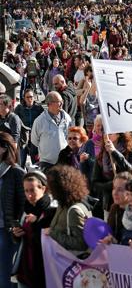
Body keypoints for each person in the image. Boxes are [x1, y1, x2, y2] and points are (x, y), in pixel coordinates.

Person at [11, 170, 56, 288]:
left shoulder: (52, 210)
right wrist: (16, 234)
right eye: (26, 191)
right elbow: (22, 239)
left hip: (44, 272)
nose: (29, 195)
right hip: (25, 270)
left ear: (43, 189)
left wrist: (37, 223)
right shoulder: (27, 207)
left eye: (32, 190)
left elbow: (51, 241)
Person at [45, 165, 92, 256]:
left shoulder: (74, 211)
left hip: (70, 260)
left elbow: (81, 244)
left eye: (51, 187)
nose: (49, 191)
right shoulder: (64, 203)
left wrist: (52, 233)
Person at [91, 132, 132, 218]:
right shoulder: (101, 156)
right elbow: (95, 183)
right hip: (109, 203)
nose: (106, 136)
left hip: (128, 200)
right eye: (105, 133)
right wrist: (112, 185)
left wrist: (115, 153)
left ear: (118, 134)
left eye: (110, 133)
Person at [0, 133, 25, 287]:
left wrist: (18, 226)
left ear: (3, 149)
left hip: (7, 232)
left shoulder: (16, 172)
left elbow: (25, 205)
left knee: (5, 276)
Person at [30, 91, 72, 170]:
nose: (62, 104)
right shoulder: (39, 121)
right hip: (47, 164)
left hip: (64, 162)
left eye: (62, 101)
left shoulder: (67, 118)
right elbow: (34, 143)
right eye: (59, 102)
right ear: (49, 104)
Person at [14, 88, 44, 167]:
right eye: (27, 97)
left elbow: (44, 122)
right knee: (21, 162)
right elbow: (14, 122)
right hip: (23, 138)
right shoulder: (19, 108)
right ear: (24, 98)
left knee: (36, 163)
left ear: (34, 97)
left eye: (31, 97)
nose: (29, 99)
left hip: (35, 139)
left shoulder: (39, 108)